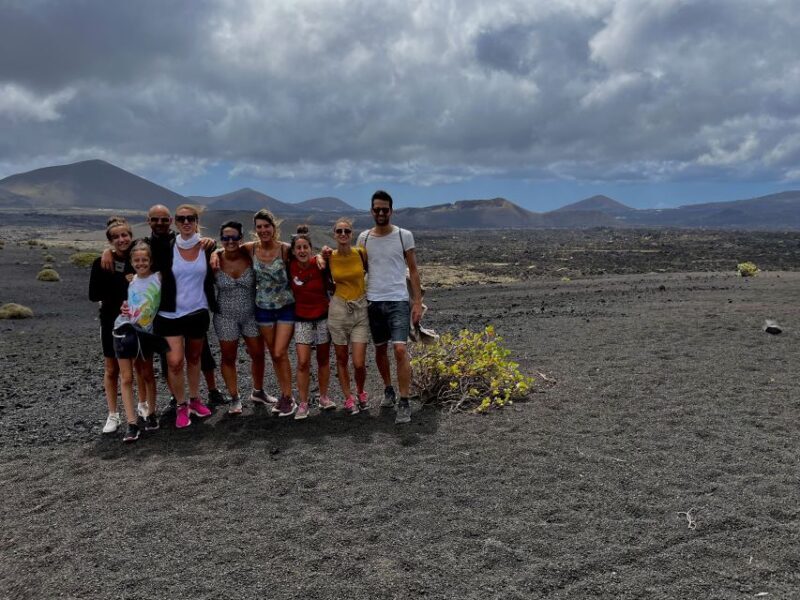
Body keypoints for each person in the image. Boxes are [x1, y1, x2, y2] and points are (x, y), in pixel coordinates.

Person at [100, 205, 225, 410]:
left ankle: (211, 391)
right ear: (148, 221)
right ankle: (178, 398)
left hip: (194, 307)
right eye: (155, 220)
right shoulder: (145, 244)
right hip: (164, 309)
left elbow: (198, 244)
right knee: (171, 359)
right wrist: (108, 251)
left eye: (164, 220)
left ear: (170, 222)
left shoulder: (180, 240)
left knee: (200, 353)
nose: (160, 223)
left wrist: (215, 249)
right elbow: (127, 252)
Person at [220, 209, 296, 417]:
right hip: (263, 310)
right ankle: (283, 395)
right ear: (255, 230)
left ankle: (289, 397)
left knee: (280, 352)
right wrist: (211, 255)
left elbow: (306, 257)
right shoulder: (251, 249)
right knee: (273, 354)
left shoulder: (285, 250)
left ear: (274, 227)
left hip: (285, 308)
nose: (263, 230)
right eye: (259, 227)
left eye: (267, 226)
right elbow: (225, 248)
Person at [356, 190, 423, 424]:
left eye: (385, 209)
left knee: (400, 350)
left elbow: (413, 269)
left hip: (397, 300)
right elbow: (359, 270)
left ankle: (404, 401)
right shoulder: (363, 238)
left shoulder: (404, 236)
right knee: (380, 350)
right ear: (371, 211)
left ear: (391, 211)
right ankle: (388, 390)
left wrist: (417, 302)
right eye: (377, 209)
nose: (381, 213)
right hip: (373, 301)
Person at [152, 204, 216, 428]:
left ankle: (195, 399)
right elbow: (137, 252)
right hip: (169, 313)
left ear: (197, 221)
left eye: (190, 218)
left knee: (195, 358)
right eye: (181, 219)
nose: (186, 222)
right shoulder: (165, 247)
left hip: (197, 312)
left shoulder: (207, 247)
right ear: (175, 223)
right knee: (175, 361)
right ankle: (181, 404)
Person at [212, 220, 269, 415]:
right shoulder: (215, 260)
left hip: (251, 314)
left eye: (234, 237)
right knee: (228, 357)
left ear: (241, 238)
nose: (230, 241)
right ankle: (234, 397)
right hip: (225, 317)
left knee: (258, 354)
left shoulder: (250, 256)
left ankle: (258, 391)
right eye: (226, 238)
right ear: (221, 239)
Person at [113, 240, 165, 442]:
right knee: (126, 378)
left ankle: (151, 413)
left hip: (146, 333)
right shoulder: (130, 280)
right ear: (131, 262)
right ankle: (132, 423)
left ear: (151, 261)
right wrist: (123, 308)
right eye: (137, 260)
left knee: (147, 373)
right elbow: (125, 301)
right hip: (124, 329)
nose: (141, 263)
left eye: (145, 259)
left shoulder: (158, 278)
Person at [89, 217, 135, 434]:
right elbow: (93, 294)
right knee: (111, 368)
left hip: (135, 320)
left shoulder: (139, 258)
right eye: (115, 237)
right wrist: (121, 282)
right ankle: (113, 414)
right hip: (109, 320)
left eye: (124, 235)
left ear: (131, 236)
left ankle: (142, 408)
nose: (121, 239)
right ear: (109, 241)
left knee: (140, 367)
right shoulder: (101, 263)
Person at [287, 225, 336, 419]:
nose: (301, 251)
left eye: (305, 247)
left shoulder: (320, 263)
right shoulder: (289, 265)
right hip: (301, 319)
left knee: (323, 360)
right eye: (298, 248)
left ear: (310, 248)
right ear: (293, 251)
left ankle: (323, 397)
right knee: (303, 362)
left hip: (322, 318)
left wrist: (325, 254)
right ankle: (304, 403)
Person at [327, 218, 370, 414]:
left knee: (359, 362)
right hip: (338, 311)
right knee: (342, 358)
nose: (343, 234)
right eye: (339, 231)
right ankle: (348, 398)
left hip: (360, 310)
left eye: (346, 231)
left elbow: (370, 272)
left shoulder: (360, 253)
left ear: (351, 234)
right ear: (334, 234)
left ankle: (360, 391)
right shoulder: (329, 257)